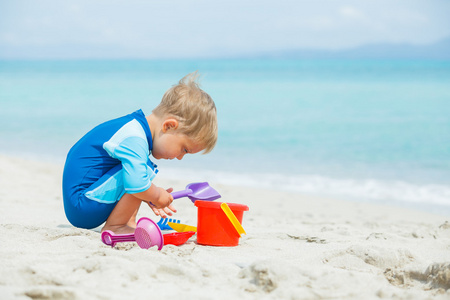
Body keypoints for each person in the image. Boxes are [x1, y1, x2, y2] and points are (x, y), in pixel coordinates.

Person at [62, 72, 218, 235]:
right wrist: (156, 194)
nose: (179, 157)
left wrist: (148, 193)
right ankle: (116, 226)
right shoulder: (134, 137)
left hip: (85, 201)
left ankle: (128, 223)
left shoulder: (135, 130)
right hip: (82, 205)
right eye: (184, 149)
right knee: (141, 173)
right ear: (169, 126)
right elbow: (136, 184)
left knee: (139, 173)